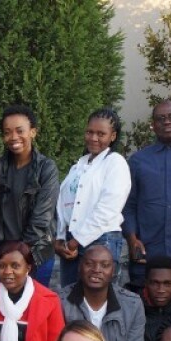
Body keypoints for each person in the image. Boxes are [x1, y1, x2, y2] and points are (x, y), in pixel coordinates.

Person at [123, 100, 171, 301]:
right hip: (146, 252)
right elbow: (129, 205)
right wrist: (132, 240)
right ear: (153, 125)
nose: (167, 122)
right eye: (161, 118)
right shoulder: (138, 160)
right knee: (142, 313)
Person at [55, 108, 131, 287]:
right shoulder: (80, 165)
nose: (93, 138)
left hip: (100, 241)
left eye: (101, 134)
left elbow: (107, 209)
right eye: (90, 132)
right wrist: (60, 238)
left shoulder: (115, 163)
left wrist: (75, 242)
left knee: (98, 301)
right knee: (71, 299)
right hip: (71, 242)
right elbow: (64, 204)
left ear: (112, 136)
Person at [0, 104, 60, 286]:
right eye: (7, 132)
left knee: (33, 310)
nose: (13, 137)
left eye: (20, 131)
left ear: (33, 132)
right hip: (2, 257)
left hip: (35, 256)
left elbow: (42, 218)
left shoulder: (46, 168)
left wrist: (21, 253)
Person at [58, 245, 145, 341]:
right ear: (80, 267)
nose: (96, 270)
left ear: (113, 271)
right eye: (89, 264)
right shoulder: (59, 302)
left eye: (105, 265)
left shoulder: (132, 304)